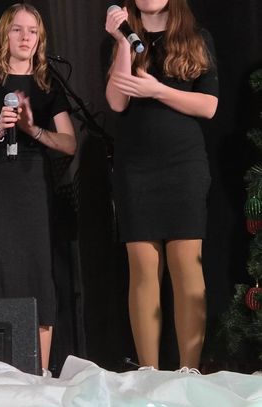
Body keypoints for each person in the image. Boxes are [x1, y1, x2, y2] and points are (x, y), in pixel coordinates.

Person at [105, 0, 218, 371]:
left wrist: (157, 90)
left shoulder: (196, 37)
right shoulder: (123, 40)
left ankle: (190, 370)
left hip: (183, 165)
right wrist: (121, 42)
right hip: (136, 167)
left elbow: (209, 105)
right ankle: (148, 373)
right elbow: (116, 102)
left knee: (187, 266)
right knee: (142, 269)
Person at [0, 3, 76, 372]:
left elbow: (69, 143)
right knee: (2, 269)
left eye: (33, 31)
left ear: (40, 38)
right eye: (17, 29)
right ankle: (5, 368)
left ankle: (40, 371)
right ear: (5, 35)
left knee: (37, 271)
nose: (25, 37)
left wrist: (33, 130)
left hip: (35, 184)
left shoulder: (48, 84)